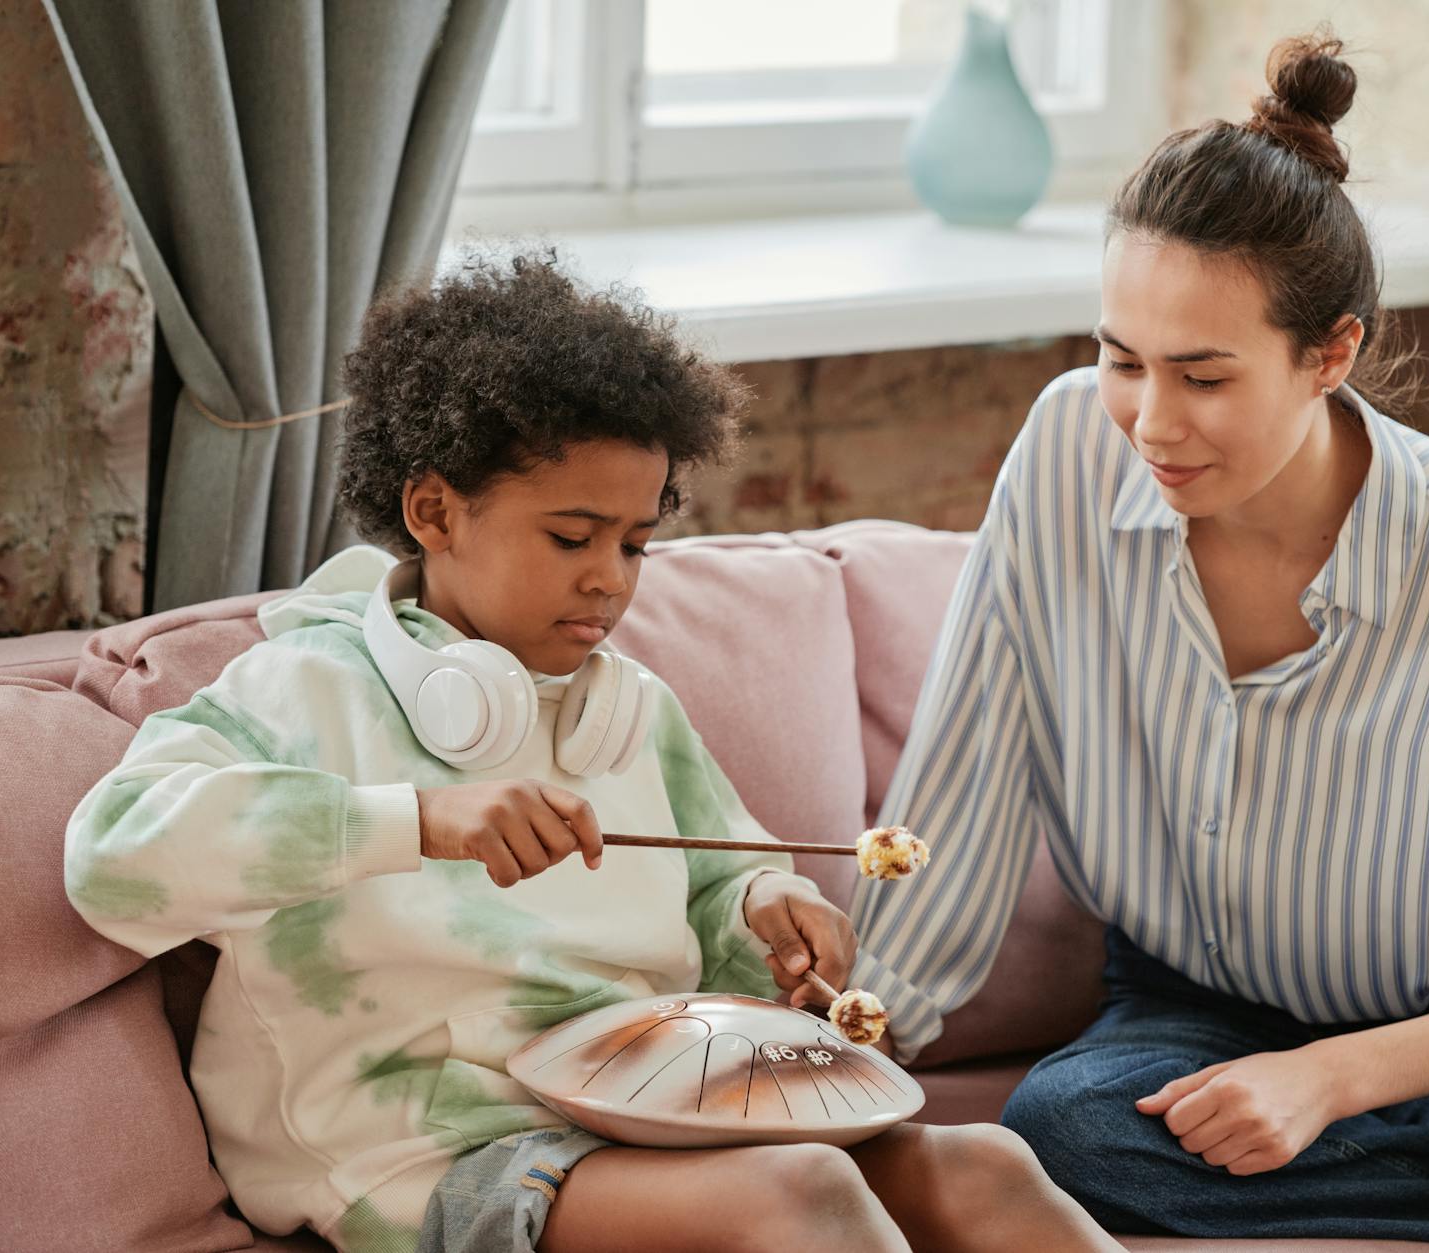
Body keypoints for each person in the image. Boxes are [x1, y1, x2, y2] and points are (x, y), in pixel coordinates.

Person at [849, 33, 1429, 1250]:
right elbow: (963, 788)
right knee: (1062, 1124)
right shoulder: (1059, 457)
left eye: (1202, 375)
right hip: (1189, 1013)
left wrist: (1332, 1079)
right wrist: (853, 1034)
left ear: (1331, 352)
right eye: (1119, 358)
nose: (1149, 419)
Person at [64, 256, 1117, 1253]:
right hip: (436, 1149)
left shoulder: (631, 706)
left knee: (987, 1164)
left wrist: (765, 914)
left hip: (654, 1108)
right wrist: (419, 821)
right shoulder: (303, 686)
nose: (610, 579)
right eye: (571, 537)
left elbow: (721, 882)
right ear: (433, 510)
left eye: (634, 544)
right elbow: (111, 859)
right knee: (800, 1191)